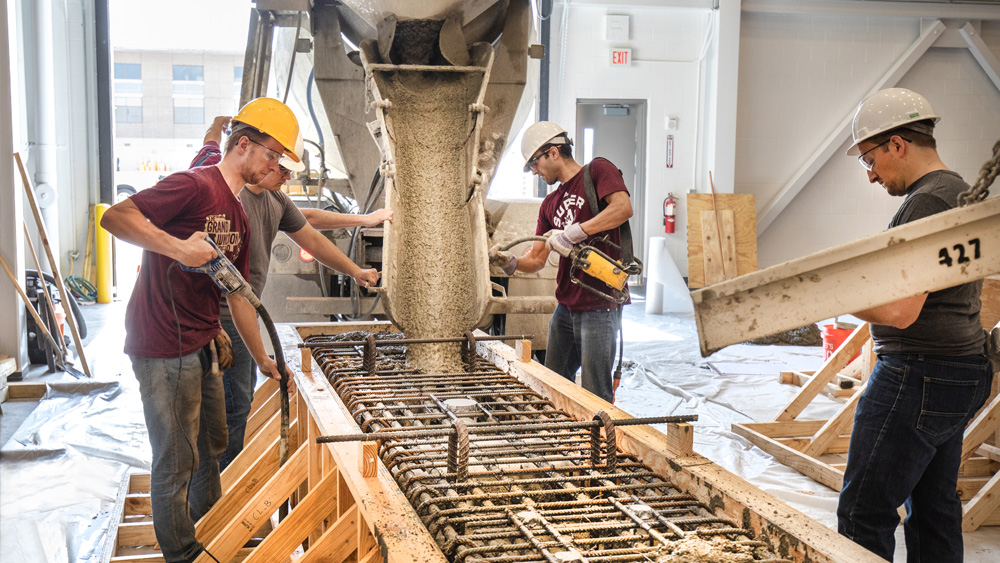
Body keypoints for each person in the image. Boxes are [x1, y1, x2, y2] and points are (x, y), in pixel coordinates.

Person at [101, 97, 301, 563]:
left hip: (203, 338)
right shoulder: (194, 186)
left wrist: (263, 359)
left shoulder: (240, 215)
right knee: (175, 458)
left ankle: (213, 526)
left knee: (211, 445)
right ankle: (183, 553)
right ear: (244, 146)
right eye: (273, 155)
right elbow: (117, 217)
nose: (275, 166)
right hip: (161, 342)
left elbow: (239, 296)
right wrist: (175, 247)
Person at [836, 88, 993, 562]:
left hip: (919, 373)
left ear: (897, 144)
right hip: (959, 369)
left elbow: (901, 311)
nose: (870, 175)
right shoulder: (957, 191)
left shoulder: (928, 202)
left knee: (864, 513)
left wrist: (828, 294)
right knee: (933, 507)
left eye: (870, 159)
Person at [192, 115, 390, 470]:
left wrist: (356, 269)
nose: (287, 176)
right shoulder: (220, 189)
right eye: (281, 167)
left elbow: (311, 234)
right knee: (228, 411)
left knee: (233, 409)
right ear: (255, 156)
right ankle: (216, 500)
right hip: (217, 319)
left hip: (239, 314)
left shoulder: (275, 201)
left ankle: (220, 487)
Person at [489, 122, 633, 403]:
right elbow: (537, 260)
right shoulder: (550, 204)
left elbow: (622, 208)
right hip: (566, 309)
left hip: (601, 304)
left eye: (534, 163)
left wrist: (577, 231)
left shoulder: (598, 171)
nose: (534, 171)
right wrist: (511, 263)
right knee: (553, 386)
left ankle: (597, 445)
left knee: (595, 395)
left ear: (553, 152)